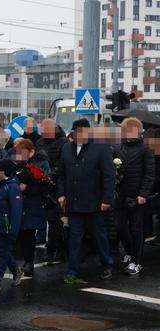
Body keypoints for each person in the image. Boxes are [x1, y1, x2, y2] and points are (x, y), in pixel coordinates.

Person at [57, 118, 115, 284]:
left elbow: (109, 176)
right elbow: (61, 174)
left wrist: (106, 199)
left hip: (95, 202)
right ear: (73, 134)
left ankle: (107, 265)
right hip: (74, 203)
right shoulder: (66, 148)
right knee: (74, 238)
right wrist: (61, 194)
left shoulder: (100, 148)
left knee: (99, 235)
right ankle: (73, 270)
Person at [114, 117, 155, 275]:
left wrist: (143, 193)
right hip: (120, 194)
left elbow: (149, 174)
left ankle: (136, 261)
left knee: (137, 228)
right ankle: (130, 252)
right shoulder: (118, 147)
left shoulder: (145, 149)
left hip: (138, 196)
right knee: (119, 227)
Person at [0, 159, 23, 291]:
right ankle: (16, 271)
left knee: (2, 252)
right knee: (3, 251)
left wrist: (13, 230)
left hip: (6, 227)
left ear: (4, 171)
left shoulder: (12, 187)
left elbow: (16, 211)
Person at [16, 138, 50, 277]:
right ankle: (25, 260)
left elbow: (45, 185)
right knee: (22, 233)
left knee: (29, 232)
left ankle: (29, 262)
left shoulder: (41, 163)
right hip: (20, 203)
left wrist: (27, 188)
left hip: (33, 203)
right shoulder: (19, 163)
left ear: (31, 151)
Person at [36, 119, 68, 262]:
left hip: (56, 185)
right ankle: (56, 248)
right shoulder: (40, 142)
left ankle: (55, 249)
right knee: (48, 219)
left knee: (55, 220)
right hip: (42, 185)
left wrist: (51, 174)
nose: (44, 132)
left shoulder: (63, 142)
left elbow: (63, 164)